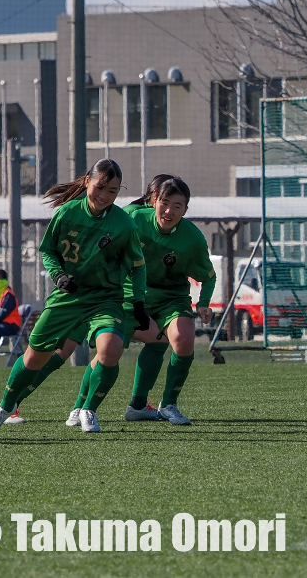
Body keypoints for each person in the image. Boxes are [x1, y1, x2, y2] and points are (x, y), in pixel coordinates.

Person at [0, 158, 144, 435]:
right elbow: (49, 251)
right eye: (100, 187)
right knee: (34, 358)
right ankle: (5, 407)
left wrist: (137, 302)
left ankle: (88, 410)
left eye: (113, 191)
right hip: (68, 297)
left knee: (110, 349)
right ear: (87, 182)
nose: (104, 196)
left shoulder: (123, 224)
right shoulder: (68, 212)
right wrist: (58, 275)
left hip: (105, 299)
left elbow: (138, 268)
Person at [111, 175, 216, 426]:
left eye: (177, 206)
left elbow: (208, 276)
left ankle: (168, 404)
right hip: (132, 296)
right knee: (107, 349)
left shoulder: (192, 238)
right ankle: (83, 408)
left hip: (172, 298)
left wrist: (203, 303)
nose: (169, 211)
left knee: (183, 339)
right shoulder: (135, 219)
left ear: (185, 210)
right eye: (165, 203)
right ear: (154, 200)